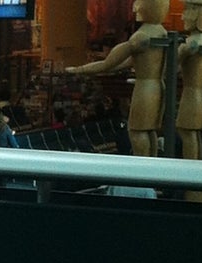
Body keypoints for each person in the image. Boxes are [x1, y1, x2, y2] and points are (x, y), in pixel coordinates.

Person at [66, 0, 170, 157]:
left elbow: (108, 63)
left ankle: (142, 171)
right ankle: (152, 169)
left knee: (137, 131)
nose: (135, 7)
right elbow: (126, 63)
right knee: (150, 130)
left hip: (144, 88)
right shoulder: (162, 32)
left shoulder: (140, 37)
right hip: (158, 86)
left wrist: (80, 69)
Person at [176, 0, 202, 161]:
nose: (182, 16)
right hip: (201, 94)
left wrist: (180, 52)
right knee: (194, 133)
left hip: (191, 94)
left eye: (187, 11)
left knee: (187, 132)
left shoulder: (191, 42)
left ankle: (191, 175)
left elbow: (171, 69)